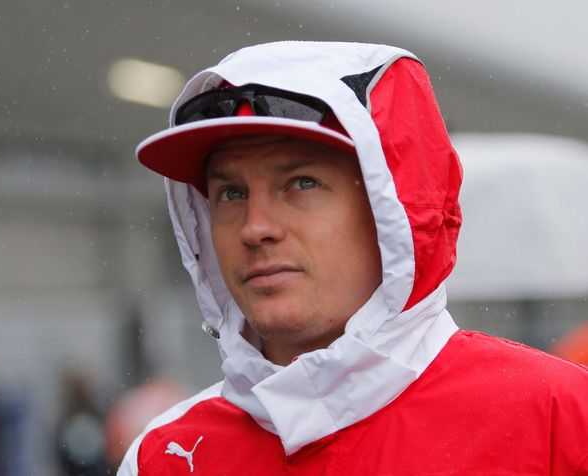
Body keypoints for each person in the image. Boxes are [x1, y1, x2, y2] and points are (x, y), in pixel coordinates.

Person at [118, 42, 588, 475]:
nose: (255, 226)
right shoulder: (165, 456)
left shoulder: (558, 419)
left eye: (302, 183)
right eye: (231, 193)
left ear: (394, 209)